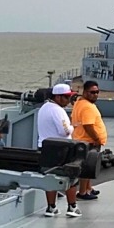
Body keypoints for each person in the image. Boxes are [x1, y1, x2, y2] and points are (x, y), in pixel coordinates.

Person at [36, 83, 79, 218]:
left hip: (44, 147)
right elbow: (64, 131)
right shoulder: (58, 110)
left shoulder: (44, 108)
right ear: (58, 97)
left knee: (50, 177)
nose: (68, 101)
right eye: (66, 97)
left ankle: (51, 207)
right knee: (71, 176)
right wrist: (73, 127)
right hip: (61, 148)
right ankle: (72, 206)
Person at [71, 80, 107, 201]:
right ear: (85, 92)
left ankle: (88, 188)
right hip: (89, 141)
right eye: (92, 92)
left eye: (97, 92)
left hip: (81, 139)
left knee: (90, 166)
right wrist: (96, 139)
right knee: (87, 167)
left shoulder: (80, 102)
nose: (95, 95)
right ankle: (82, 192)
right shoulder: (87, 107)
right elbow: (88, 125)